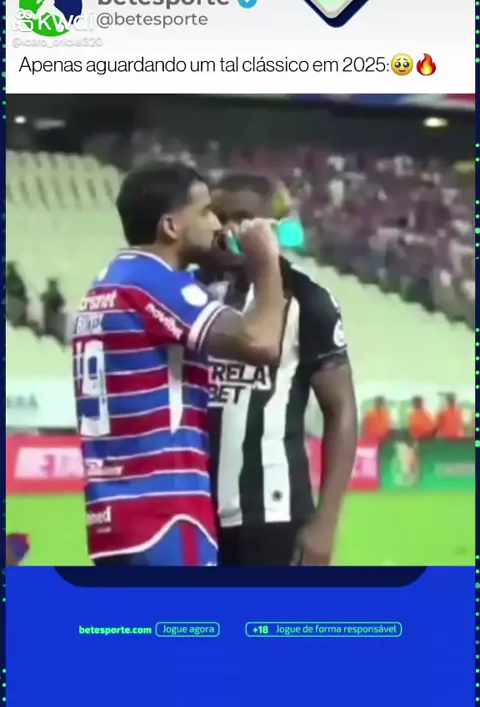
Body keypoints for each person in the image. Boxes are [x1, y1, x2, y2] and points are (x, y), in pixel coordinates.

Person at [72, 163, 284, 566]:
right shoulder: (155, 282)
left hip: (114, 516)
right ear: (171, 226)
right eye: (205, 212)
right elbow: (261, 342)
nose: (216, 223)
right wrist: (266, 262)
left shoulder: (108, 283)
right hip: (167, 515)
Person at [197, 174, 358, 567]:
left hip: (274, 515)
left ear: (276, 226)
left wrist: (326, 524)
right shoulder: (186, 293)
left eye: (243, 218)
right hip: (190, 513)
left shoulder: (308, 300)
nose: (229, 229)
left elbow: (341, 409)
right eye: (219, 216)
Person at [41, 278, 66, 343]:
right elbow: (62, 302)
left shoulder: (49, 294)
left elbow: (42, 298)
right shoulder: (56, 294)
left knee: (49, 329)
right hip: (54, 315)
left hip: (50, 315)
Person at [6, 261, 29, 327]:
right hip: (15, 299)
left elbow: (22, 288)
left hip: (16, 299)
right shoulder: (10, 278)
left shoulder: (14, 278)